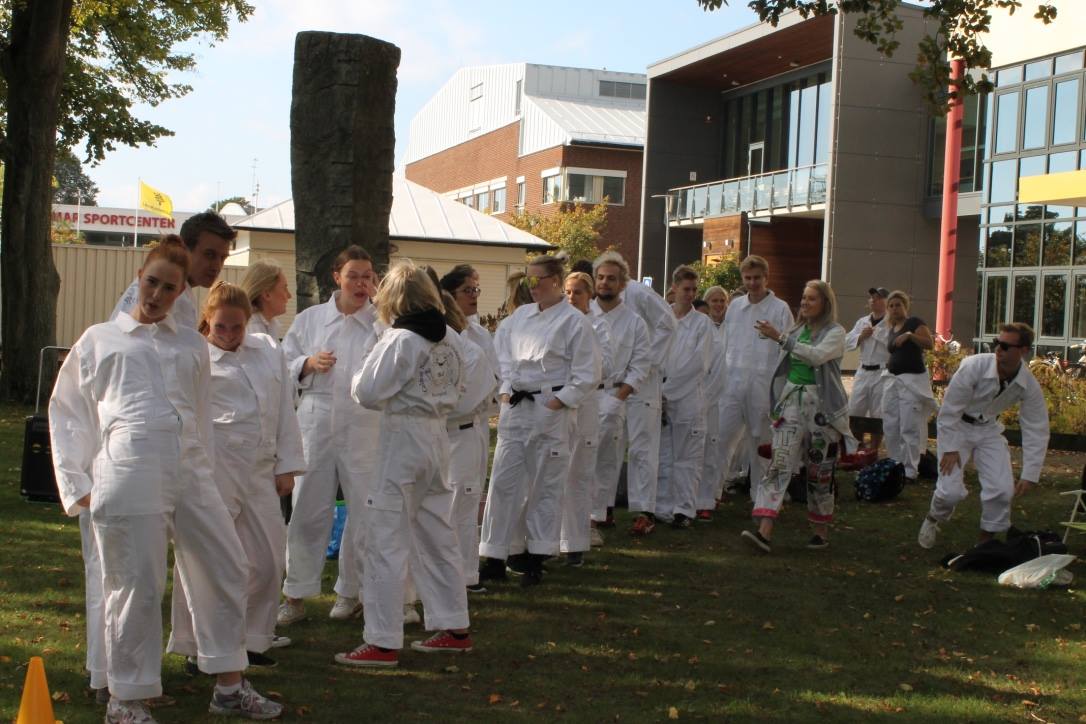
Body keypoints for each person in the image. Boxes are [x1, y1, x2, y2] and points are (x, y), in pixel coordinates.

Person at [49, 238, 281, 722]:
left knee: (225, 564)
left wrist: (208, 474)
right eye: (151, 282)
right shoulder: (99, 340)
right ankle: (125, 698)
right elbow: (67, 410)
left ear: (181, 293)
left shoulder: (191, 345)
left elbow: (200, 412)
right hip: (128, 467)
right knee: (135, 581)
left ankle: (228, 683)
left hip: (191, 467)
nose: (156, 294)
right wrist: (76, 483)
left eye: (169, 288)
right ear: (139, 277)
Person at [336, 261, 488, 667]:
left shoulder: (401, 338)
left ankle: (383, 639)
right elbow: (464, 385)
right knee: (437, 534)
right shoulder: (451, 337)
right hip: (437, 436)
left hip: (403, 436)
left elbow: (367, 391)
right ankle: (454, 625)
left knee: (385, 537)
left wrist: (365, 367)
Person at [167, 283, 304, 673]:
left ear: (248, 322)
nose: (228, 335)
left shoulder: (268, 351)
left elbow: (284, 408)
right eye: (221, 327)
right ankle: (195, 644)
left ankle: (253, 637)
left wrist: (287, 464)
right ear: (207, 320)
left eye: (237, 327)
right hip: (215, 466)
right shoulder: (194, 356)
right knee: (206, 559)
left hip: (260, 467)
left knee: (268, 558)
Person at [478, 255, 599, 586]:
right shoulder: (519, 318)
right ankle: (494, 555)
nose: (531, 287)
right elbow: (501, 356)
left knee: (545, 483)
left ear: (556, 281)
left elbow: (587, 373)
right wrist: (505, 390)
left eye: (537, 280)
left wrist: (558, 402)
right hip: (517, 405)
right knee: (504, 481)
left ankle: (536, 556)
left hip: (550, 407)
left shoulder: (575, 322)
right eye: (527, 280)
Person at [278, 246, 381, 625]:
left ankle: (351, 592)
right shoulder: (311, 319)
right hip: (316, 421)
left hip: (364, 424)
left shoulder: (381, 322)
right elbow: (282, 364)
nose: (361, 283)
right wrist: (307, 363)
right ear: (337, 277)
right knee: (308, 509)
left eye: (368, 276)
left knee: (365, 510)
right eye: (354, 275)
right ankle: (295, 594)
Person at [741, 280, 856, 553]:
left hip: (822, 411)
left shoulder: (836, 333)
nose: (804, 303)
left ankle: (819, 532)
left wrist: (781, 338)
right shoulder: (796, 330)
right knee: (779, 464)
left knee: (819, 472)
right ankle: (764, 531)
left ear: (825, 303)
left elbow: (817, 356)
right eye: (804, 298)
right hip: (792, 403)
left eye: (811, 299)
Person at [918, 323, 1050, 549]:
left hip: (989, 430)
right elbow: (949, 410)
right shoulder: (974, 366)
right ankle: (933, 518)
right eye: (997, 343)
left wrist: (1030, 473)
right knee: (950, 493)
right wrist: (950, 448)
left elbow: (1036, 427)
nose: (998, 349)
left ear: (1023, 350)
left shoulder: (1027, 383)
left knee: (1002, 490)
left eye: (1006, 346)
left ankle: (985, 544)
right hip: (958, 427)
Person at [439, 265, 500, 594]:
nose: (474, 296)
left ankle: (466, 573)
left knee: (467, 499)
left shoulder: (479, 337)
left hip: (472, 427)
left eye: (477, 290)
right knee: (449, 502)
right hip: (446, 431)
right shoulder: (437, 338)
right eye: (468, 290)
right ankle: (449, 575)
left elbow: (494, 378)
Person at [718, 256, 794, 501]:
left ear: (766, 278)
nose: (752, 283)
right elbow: (726, 344)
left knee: (760, 443)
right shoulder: (735, 307)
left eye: (757, 278)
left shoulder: (780, 309)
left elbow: (789, 348)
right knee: (722, 438)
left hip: (764, 385)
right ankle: (711, 495)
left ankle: (761, 497)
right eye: (748, 278)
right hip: (733, 383)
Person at [589, 253, 650, 545]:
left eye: (611, 278)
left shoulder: (635, 323)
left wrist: (619, 398)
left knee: (605, 461)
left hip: (613, 395)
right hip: (582, 394)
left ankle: (594, 519)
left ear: (622, 284)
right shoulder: (582, 315)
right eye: (600, 277)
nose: (605, 283)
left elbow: (640, 365)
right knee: (577, 458)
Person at [619, 257, 677, 535]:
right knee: (609, 444)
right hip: (613, 382)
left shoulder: (639, 293)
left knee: (643, 446)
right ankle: (602, 509)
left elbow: (668, 323)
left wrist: (647, 362)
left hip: (644, 382)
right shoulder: (596, 302)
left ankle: (645, 511)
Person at [656, 266, 713, 528]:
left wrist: (667, 392)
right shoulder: (661, 318)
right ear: (674, 288)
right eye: (685, 289)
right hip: (659, 395)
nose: (690, 294)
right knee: (663, 453)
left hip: (688, 397)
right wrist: (657, 392)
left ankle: (683, 509)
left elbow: (698, 364)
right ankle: (662, 507)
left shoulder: (702, 323)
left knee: (687, 457)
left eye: (694, 290)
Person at [560, 271, 611, 565]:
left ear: (590, 295)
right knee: (555, 470)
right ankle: (549, 537)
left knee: (579, 472)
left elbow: (607, 365)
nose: (571, 297)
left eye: (578, 292)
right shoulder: (559, 321)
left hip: (587, 402)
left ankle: (576, 541)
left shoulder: (599, 325)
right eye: (567, 291)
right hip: (560, 402)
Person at [110, 212, 235, 328]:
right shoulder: (178, 300)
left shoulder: (147, 285)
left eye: (223, 258)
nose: (217, 266)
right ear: (185, 249)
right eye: (209, 255)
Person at [880, 291, 936, 483]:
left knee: (909, 426)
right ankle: (895, 464)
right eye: (891, 306)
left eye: (898, 305)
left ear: (905, 306)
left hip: (911, 381)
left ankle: (910, 470)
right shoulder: (891, 328)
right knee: (890, 424)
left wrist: (910, 336)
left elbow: (929, 344)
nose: (895, 309)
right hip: (893, 380)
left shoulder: (913, 323)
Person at [697, 286, 729, 519]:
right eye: (714, 301)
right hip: (694, 396)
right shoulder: (701, 329)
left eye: (721, 301)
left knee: (713, 447)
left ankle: (708, 496)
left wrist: (706, 399)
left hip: (718, 397)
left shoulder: (730, 328)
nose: (718, 305)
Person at [846, 287, 890, 450]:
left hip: (882, 371)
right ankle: (858, 447)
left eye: (878, 298)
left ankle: (874, 450)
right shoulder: (862, 321)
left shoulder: (891, 322)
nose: (873, 300)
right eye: (872, 297)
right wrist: (861, 336)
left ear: (886, 301)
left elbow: (893, 343)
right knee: (855, 410)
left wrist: (876, 334)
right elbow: (847, 342)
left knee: (878, 413)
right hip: (863, 370)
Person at [241, 259, 293, 340]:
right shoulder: (253, 331)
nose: (289, 295)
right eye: (284, 288)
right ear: (267, 294)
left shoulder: (269, 324)